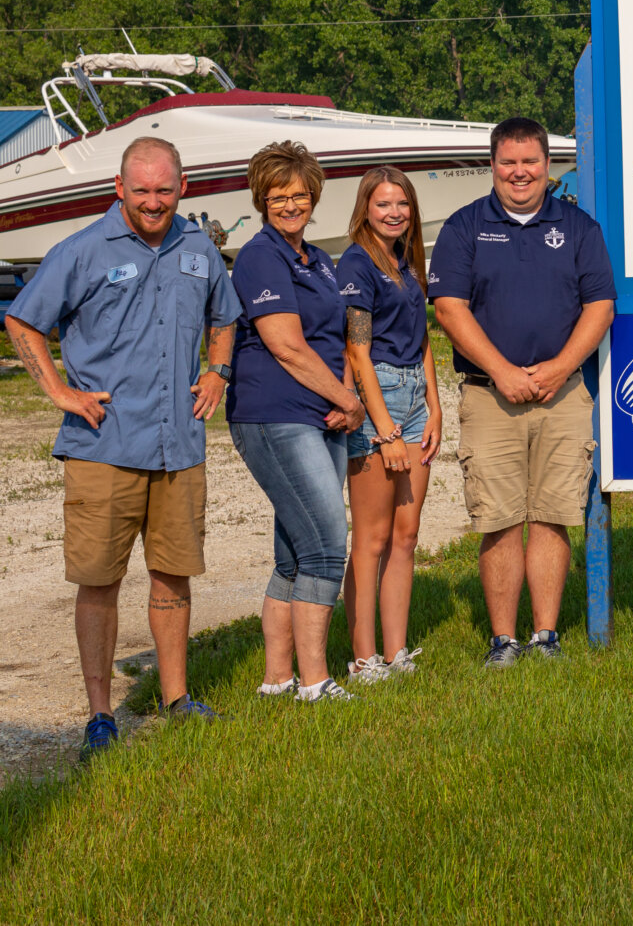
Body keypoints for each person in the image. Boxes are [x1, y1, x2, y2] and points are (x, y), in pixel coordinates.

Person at [4, 138, 240, 758]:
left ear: (183, 187)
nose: (154, 201)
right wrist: (58, 392)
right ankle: (100, 713)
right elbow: (23, 320)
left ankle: (175, 698)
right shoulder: (81, 251)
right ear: (120, 188)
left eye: (165, 189)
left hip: (178, 446)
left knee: (173, 574)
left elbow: (226, 315)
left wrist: (218, 369)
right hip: (103, 446)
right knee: (100, 583)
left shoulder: (199, 250)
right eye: (142, 190)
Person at [428, 117, 614, 667]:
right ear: (492, 165)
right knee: (500, 517)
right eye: (508, 162)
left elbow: (600, 305)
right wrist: (503, 370)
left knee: (553, 514)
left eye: (529, 161)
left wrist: (560, 367)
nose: (519, 173)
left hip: (563, 394)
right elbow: (449, 308)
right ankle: (503, 640)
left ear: (546, 165)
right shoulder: (464, 228)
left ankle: (546, 635)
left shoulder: (580, 228)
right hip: (491, 395)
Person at [227, 141, 365, 704]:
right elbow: (285, 345)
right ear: (261, 199)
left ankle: (277, 679)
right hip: (276, 416)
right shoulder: (262, 256)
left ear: (314, 197)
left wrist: (346, 395)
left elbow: (334, 341)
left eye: (300, 195)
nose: (290, 205)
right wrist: (349, 402)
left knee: (295, 552)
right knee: (328, 547)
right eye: (279, 196)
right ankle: (315, 682)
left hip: (321, 414)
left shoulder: (318, 259)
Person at [338, 167, 442, 684]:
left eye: (402, 203)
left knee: (407, 534)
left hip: (415, 398)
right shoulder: (358, 261)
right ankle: (363, 658)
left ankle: (396, 651)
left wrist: (434, 406)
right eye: (383, 204)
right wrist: (386, 431)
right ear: (366, 208)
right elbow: (357, 350)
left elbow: (422, 338)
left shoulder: (407, 260)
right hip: (377, 396)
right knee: (372, 539)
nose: (394, 212)